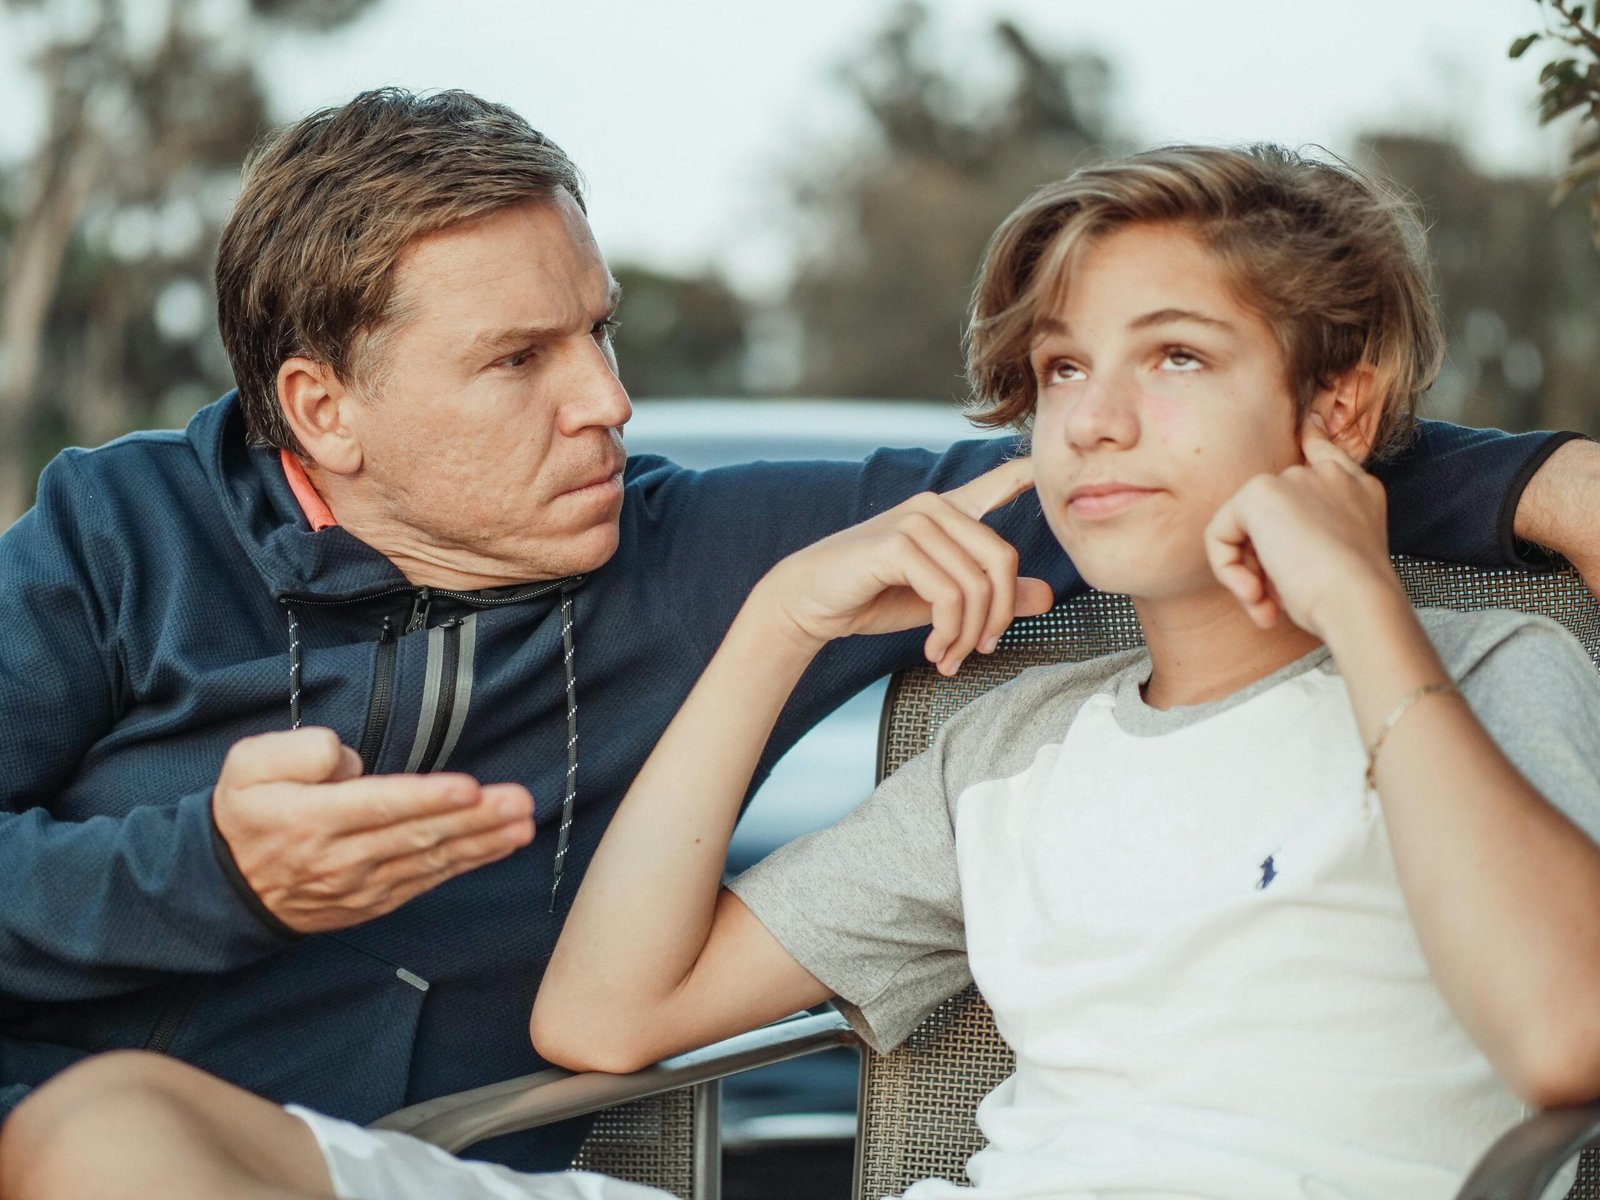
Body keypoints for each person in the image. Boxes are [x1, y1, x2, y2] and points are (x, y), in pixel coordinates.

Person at [0, 85, 1598, 1182]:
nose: (610, 403)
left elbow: (1129, 471)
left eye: (603, 331)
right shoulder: (113, 538)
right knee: (93, 1132)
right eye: (522, 360)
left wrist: (1542, 483)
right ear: (321, 411)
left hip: (448, 1154)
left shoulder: (701, 540)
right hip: (103, 1129)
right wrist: (208, 878)